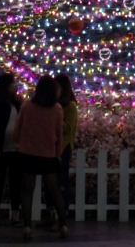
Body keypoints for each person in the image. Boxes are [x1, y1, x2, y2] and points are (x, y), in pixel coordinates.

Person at [13, 75, 68, 241]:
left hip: (28, 153)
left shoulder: (27, 105)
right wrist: (57, 153)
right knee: (54, 190)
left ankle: (27, 226)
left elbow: (18, 129)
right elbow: (59, 133)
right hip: (48, 155)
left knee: (27, 191)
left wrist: (21, 142)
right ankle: (63, 224)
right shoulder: (57, 109)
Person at [0, 72, 23, 225]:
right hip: (1, 148)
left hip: (16, 149)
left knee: (16, 181)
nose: (15, 86)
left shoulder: (18, 104)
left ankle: (15, 213)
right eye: (12, 83)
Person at [54, 73, 77, 215]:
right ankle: (51, 213)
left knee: (62, 181)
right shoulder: (55, 104)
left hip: (64, 147)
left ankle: (62, 213)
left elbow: (68, 127)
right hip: (52, 146)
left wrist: (54, 120)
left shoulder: (71, 105)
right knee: (51, 182)